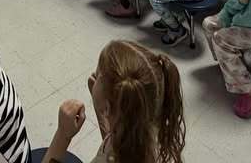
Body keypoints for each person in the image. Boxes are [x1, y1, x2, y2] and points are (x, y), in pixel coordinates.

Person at [41, 40, 184, 163]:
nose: (94, 76)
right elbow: (118, 144)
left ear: (108, 107)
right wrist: (101, 108)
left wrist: (63, 134)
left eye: (98, 74)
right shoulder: (147, 126)